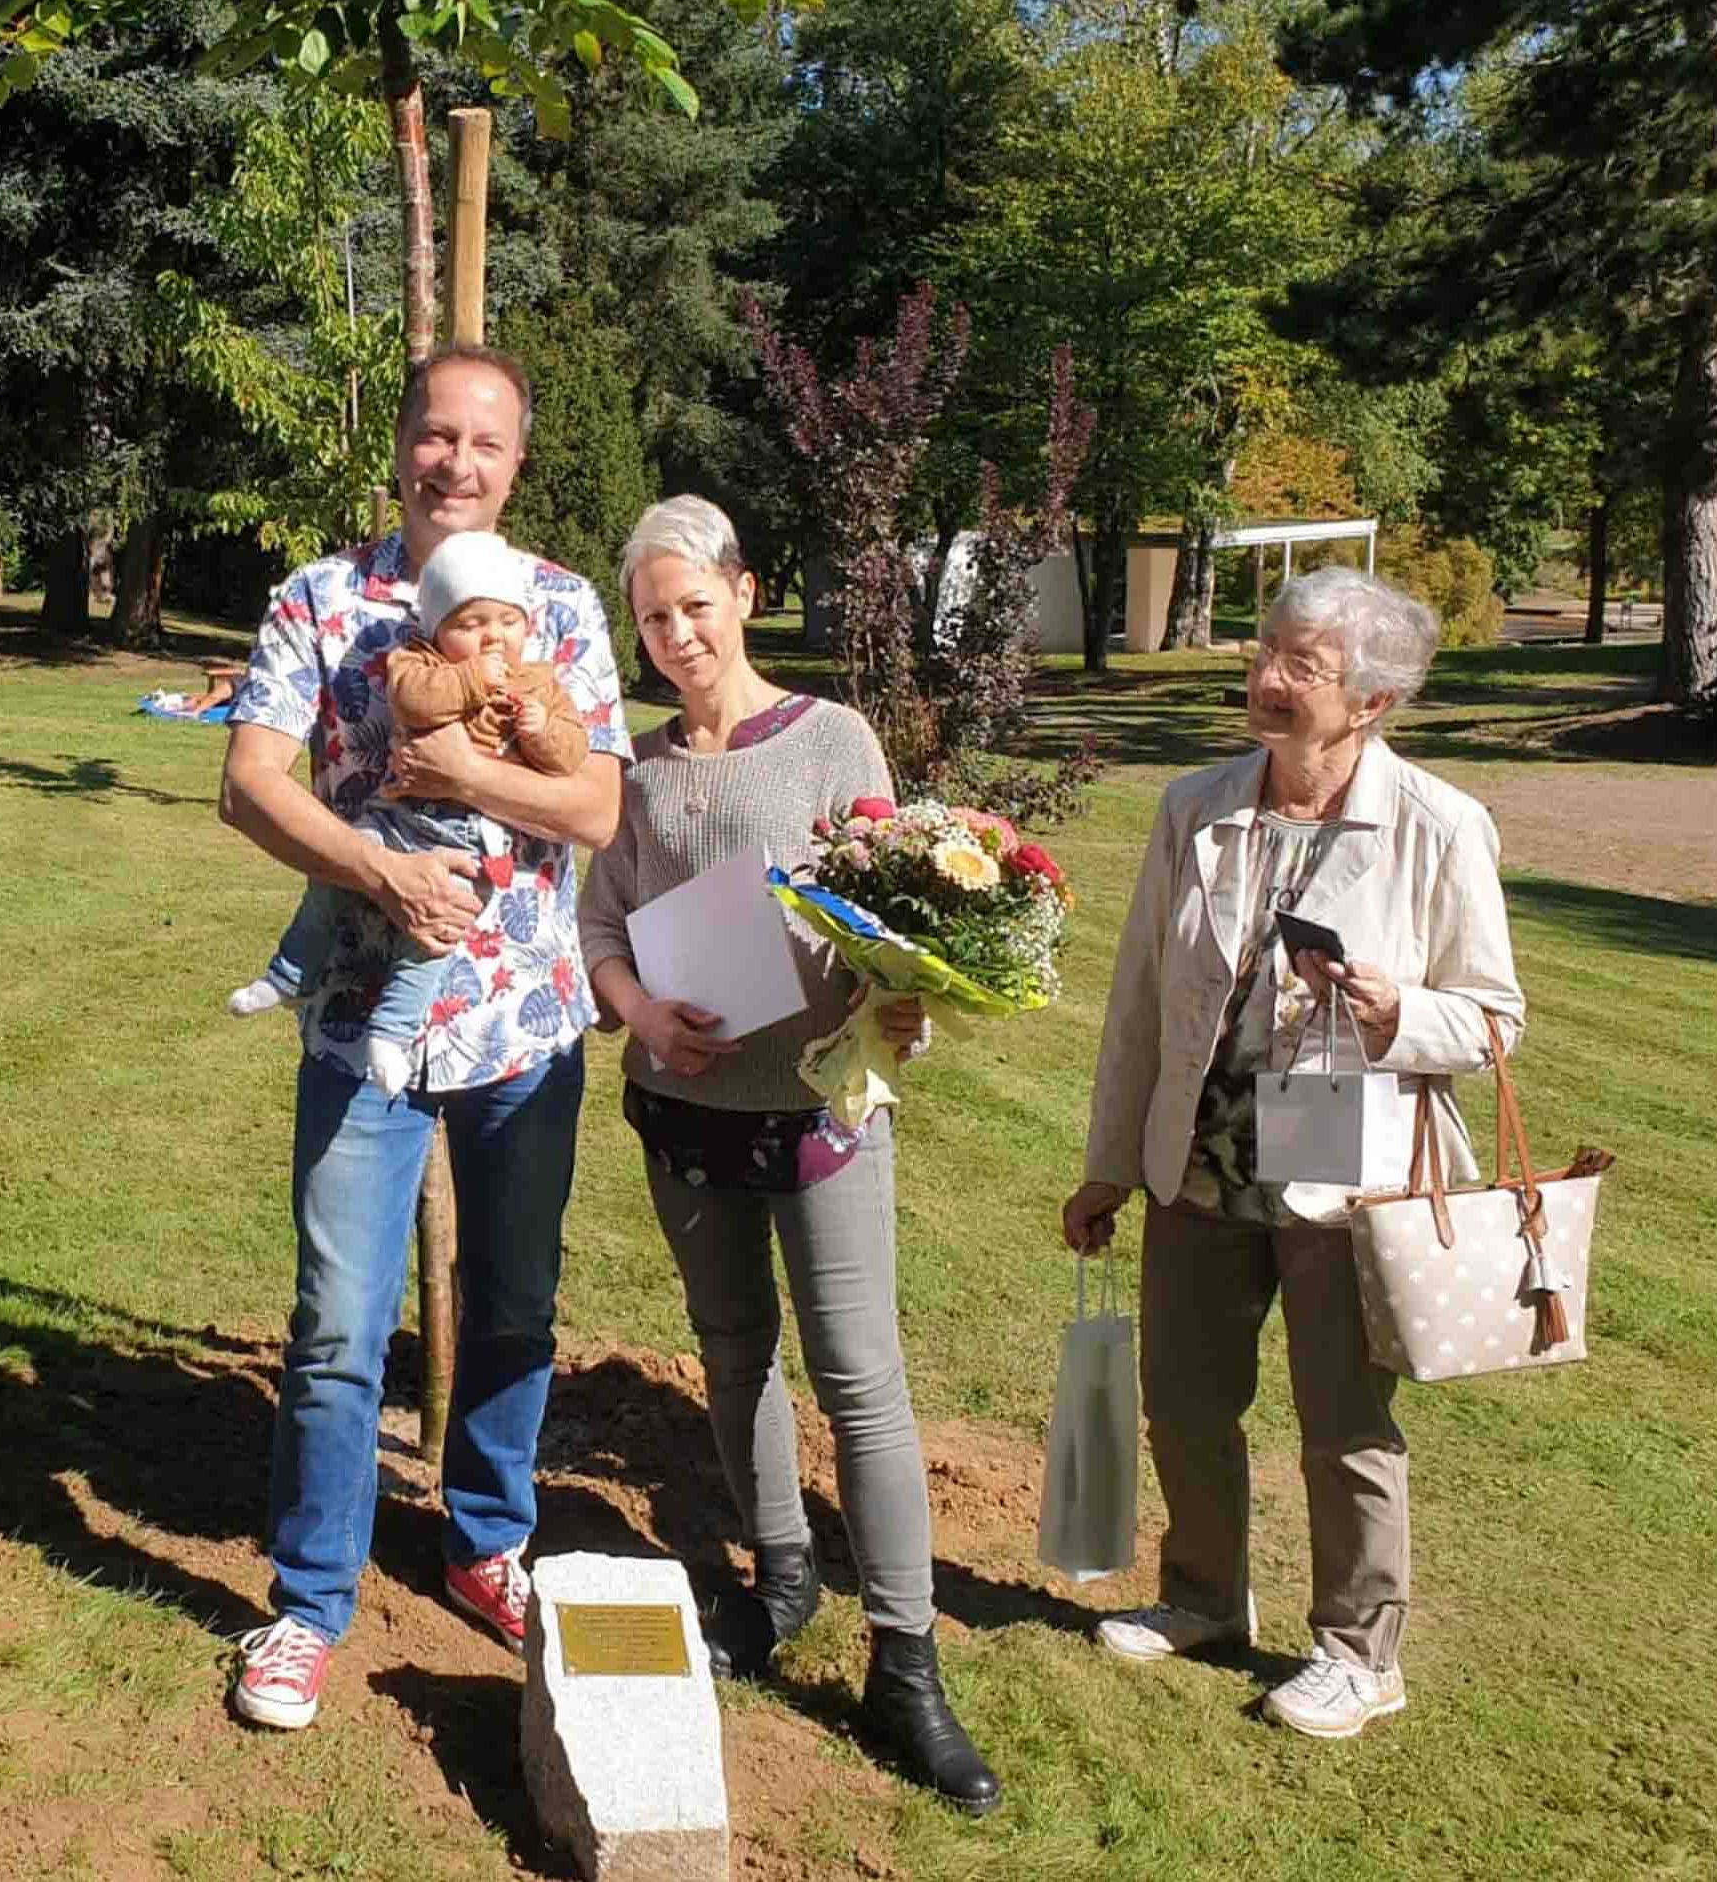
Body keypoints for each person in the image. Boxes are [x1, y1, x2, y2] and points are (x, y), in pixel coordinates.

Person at [216, 345, 629, 1731]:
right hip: (360, 1021)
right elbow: (248, 786)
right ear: (396, 442)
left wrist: (473, 774)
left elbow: (598, 815)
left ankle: (481, 1538)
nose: (457, 462)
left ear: (516, 464)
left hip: (522, 1021)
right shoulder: (321, 602)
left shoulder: (562, 608)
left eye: (486, 444)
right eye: (436, 435)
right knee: (336, 1323)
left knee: (515, 1301)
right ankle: (307, 1599)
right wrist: (378, 868)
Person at [574, 496, 1002, 1816]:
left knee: (859, 1379)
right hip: (685, 1113)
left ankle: (904, 1664)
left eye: (693, 607)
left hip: (822, 1118)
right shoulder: (632, 773)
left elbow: (891, 907)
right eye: (650, 618)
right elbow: (597, 926)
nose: (674, 636)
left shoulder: (830, 740)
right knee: (729, 1353)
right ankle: (779, 1576)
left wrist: (902, 999)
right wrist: (639, 1010)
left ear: (743, 594)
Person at [1060, 564, 1524, 1739]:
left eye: (1299, 668)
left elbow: (1493, 1017)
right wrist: (1111, 1159)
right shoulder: (1195, 806)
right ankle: (1204, 1596)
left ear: (1369, 702)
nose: (1263, 679)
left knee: (1343, 1423)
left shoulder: (1438, 824)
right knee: (1185, 1400)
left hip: (1345, 1179)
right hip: (1200, 1164)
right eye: (1264, 652)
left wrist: (1395, 1015)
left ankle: (1361, 1651)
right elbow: (1137, 1002)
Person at [228, 529, 592, 1094]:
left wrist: (540, 733)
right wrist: (473, 680)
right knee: (330, 881)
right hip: (393, 820)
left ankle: (390, 1034)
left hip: (472, 843)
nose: (493, 638)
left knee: (433, 938)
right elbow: (415, 701)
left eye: (508, 622)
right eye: (470, 625)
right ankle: (289, 973)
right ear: (438, 629)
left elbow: (573, 760)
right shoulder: (415, 660)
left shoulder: (540, 683)